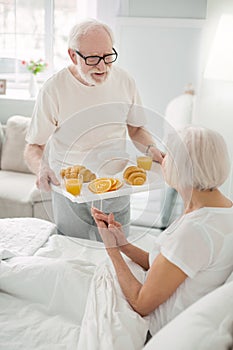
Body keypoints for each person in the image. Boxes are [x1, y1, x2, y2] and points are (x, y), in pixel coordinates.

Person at [24, 19, 163, 240]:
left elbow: (136, 130)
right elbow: (34, 146)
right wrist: (41, 168)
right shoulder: (54, 89)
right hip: (72, 190)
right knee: (74, 254)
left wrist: (152, 150)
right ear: (72, 55)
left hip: (116, 186)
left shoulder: (124, 81)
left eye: (108, 57)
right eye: (92, 59)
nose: (102, 67)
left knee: (116, 255)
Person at [92, 126, 233, 335]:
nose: (162, 159)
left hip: (153, 328)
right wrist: (123, 245)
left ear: (183, 168)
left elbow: (141, 303)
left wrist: (112, 250)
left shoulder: (195, 232)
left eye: (168, 156)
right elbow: (166, 266)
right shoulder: (220, 209)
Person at [159, 83, 196, 229]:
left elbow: (165, 125)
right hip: (186, 147)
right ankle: (184, 223)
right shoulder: (194, 102)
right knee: (186, 187)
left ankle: (164, 221)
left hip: (169, 145)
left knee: (169, 185)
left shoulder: (173, 102)